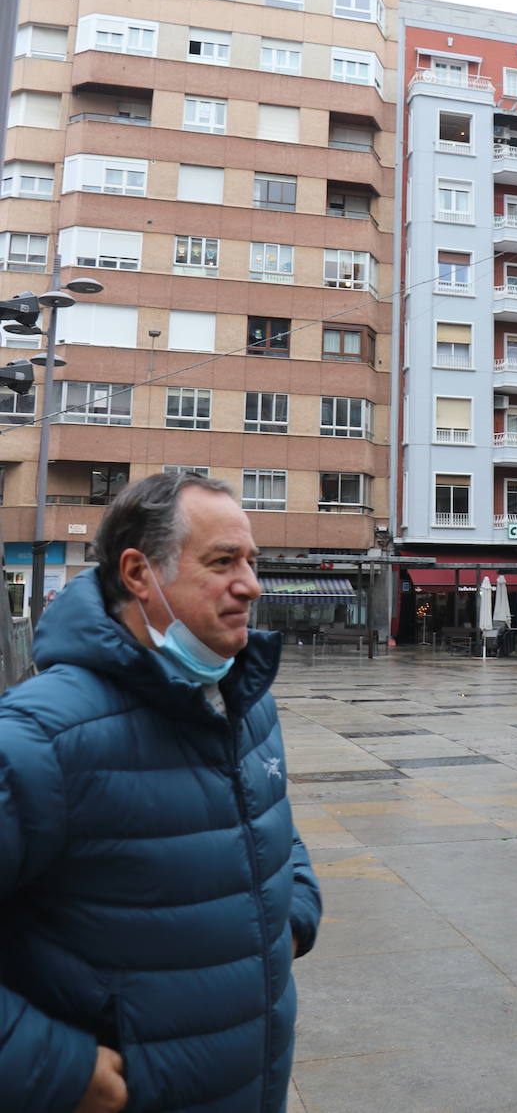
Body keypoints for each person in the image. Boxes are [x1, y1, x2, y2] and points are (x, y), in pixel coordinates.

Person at [0, 473, 322, 1113]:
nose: (251, 585)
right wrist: (54, 1069)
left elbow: (270, 827)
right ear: (139, 574)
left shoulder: (246, 703)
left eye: (252, 562)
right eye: (223, 562)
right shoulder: (39, 738)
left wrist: (293, 919)